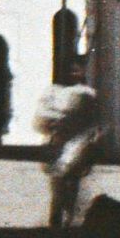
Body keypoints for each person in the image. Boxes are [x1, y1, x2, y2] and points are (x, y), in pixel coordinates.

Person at [34, 64, 102, 229]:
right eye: (69, 70)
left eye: (76, 70)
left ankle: (70, 217)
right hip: (57, 142)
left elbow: (94, 119)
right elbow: (40, 118)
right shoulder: (51, 92)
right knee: (57, 185)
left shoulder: (87, 93)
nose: (72, 74)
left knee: (73, 183)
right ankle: (56, 218)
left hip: (78, 142)